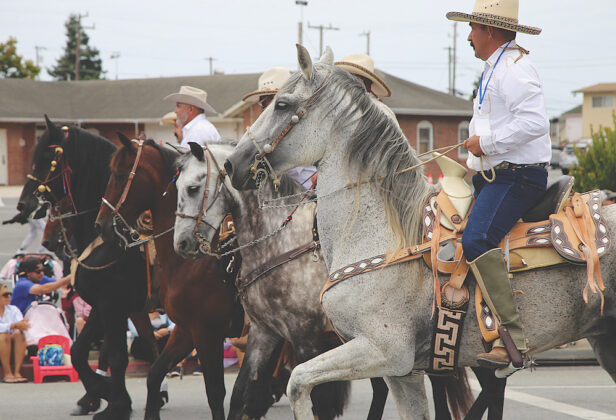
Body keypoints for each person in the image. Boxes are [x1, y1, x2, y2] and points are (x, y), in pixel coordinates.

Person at [447, 0, 551, 367]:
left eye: (473, 28)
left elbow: (535, 124)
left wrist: (485, 144)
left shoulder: (515, 70)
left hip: (519, 176)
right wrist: (474, 159)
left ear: (490, 31)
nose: (468, 35)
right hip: (498, 174)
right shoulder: (496, 68)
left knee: (475, 238)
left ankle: (513, 338)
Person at [242, 66, 317, 189]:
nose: (266, 108)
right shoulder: (264, 132)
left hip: (310, 194)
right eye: (263, 102)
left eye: (272, 100)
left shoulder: (305, 125)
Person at [0, 284, 30, 382]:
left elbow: (22, 325)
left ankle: (17, 372)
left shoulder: (13, 309)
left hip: (10, 343)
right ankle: (7, 373)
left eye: (9, 294)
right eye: (5, 295)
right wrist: (13, 325)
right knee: (4, 335)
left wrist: (17, 326)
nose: (9, 297)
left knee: (19, 334)